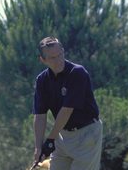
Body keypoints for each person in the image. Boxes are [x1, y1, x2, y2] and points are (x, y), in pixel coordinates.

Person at [32, 36, 103, 170]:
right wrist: (38, 147)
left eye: (60, 55)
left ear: (63, 51)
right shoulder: (42, 80)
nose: (58, 60)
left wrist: (50, 140)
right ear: (42, 60)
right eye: (53, 58)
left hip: (87, 134)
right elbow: (40, 115)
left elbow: (66, 110)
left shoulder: (77, 73)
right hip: (62, 135)